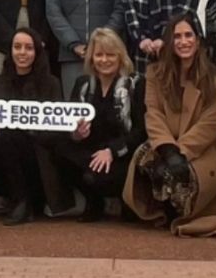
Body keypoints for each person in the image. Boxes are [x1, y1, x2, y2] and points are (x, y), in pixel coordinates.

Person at [123, 13, 216, 236]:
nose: (183, 41)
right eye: (177, 36)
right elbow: (153, 114)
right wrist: (169, 150)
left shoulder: (215, 79)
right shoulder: (155, 73)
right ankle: (161, 207)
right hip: (166, 143)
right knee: (145, 156)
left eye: (188, 35)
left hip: (199, 149)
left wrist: (181, 152)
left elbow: (209, 124)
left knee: (187, 175)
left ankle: (186, 209)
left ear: (198, 39)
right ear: (170, 41)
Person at [38, 28, 144, 222]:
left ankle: (125, 199)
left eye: (110, 54)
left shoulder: (135, 84)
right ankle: (92, 202)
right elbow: (69, 127)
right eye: (99, 55)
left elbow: (140, 131)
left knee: (94, 176)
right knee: (53, 145)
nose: (104, 60)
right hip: (89, 152)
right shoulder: (83, 84)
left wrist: (112, 151)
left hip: (122, 154)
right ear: (91, 58)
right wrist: (76, 134)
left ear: (120, 56)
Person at [0, 27, 62, 226]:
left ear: (37, 52)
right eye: (17, 47)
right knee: (4, 136)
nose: (22, 52)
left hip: (39, 152)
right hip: (6, 151)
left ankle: (23, 202)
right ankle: (20, 200)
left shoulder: (51, 83)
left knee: (10, 136)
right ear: (10, 51)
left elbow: (56, 131)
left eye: (28, 48)